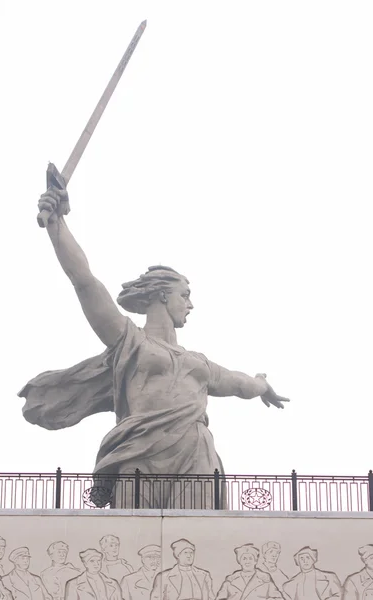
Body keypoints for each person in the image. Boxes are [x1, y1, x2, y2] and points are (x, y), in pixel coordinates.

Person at [19, 185, 290, 506]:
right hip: (139, 449)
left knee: (197, 541)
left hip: (194, 451)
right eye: (184, 295)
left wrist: (262, 384)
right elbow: (84, 281)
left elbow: (239, 384)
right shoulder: (130, 340)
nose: (190, 304)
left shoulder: (199, 363)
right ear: (163, 295)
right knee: (133, 543)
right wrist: (57, 227)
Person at [216, 544, 282, 600]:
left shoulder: (265, 580)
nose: (247, 561)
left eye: (250, 558)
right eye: (244, 558)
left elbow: (278, 598)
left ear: (255, 561)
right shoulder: (230, 581)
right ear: (239, 561)